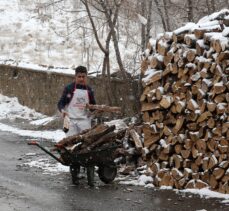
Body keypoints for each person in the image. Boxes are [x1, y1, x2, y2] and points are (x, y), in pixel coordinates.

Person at [57, 65, 96, 186]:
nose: (81, 79)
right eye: (79, 76)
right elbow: (61, 103)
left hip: (84, 121)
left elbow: (94, 105)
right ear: (75, 76)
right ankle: (75, 171)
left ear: (86, 77)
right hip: (71, 121)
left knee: (86, 147)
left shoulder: (89, 90)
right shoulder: (69, 88)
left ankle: (87, 168)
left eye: (83, 77)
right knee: (71, 148)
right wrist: (63, 111)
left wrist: (93, 110)